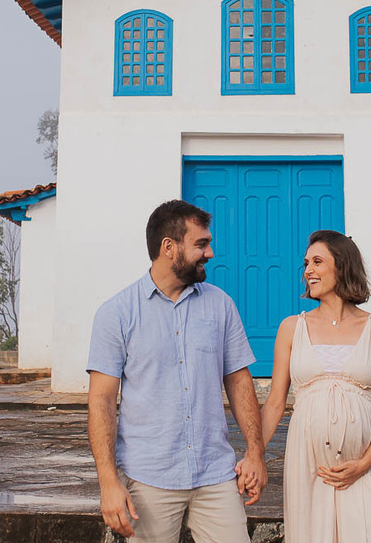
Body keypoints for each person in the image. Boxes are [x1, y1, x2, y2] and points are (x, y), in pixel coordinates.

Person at [87, 199, 268, 543]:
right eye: (201, 244)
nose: (210, 253)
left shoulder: (221, 305)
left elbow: (240, 382)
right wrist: (108, 481)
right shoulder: (116, 314)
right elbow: (101, 402)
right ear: (169, 248)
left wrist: (255, 452)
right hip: (150, 477)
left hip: (215, 475)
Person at [255, 230, 371, 542]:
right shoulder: (291, 328)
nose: (308, 270)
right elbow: (275, 404)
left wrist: (364, 462)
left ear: (343, 265)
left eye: (317, 261)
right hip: (309, 466)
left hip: (366, 465)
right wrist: (254, 453)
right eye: (306, 263)